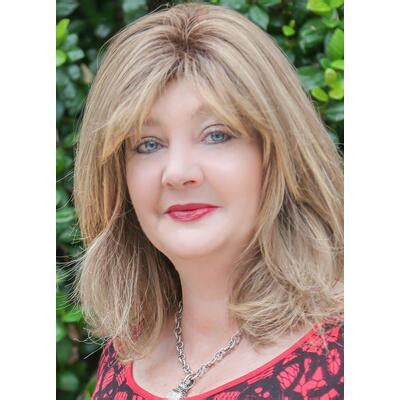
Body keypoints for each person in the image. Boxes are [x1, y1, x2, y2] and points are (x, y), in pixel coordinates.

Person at [73, 2, 344, 399]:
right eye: (148, 144)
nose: (178, 172)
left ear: (277, 152)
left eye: (216, 135)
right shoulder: (128, 351)